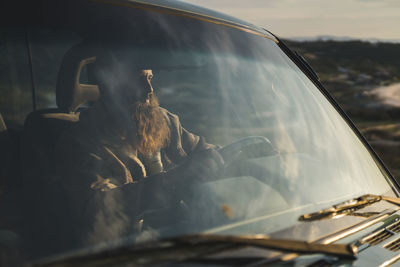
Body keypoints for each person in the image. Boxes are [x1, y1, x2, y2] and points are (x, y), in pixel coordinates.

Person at [54, 53, 224, 246]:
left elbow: (206, 151)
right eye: (138, 80)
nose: (148, 90)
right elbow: (100, 210)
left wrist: (225, 159)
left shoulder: (164, 121)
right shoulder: (80, 142)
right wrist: (173, 179)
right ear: (110, 85)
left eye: (150, 78)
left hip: (184, 240)